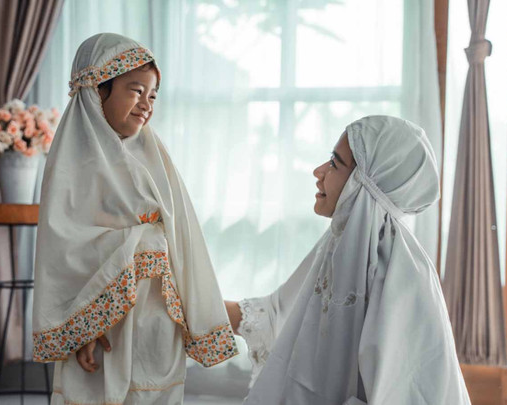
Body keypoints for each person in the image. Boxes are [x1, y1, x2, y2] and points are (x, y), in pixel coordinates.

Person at [32, 33, 238, 405]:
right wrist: (87, 324)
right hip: (102, 324)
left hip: (157, 315)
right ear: (97, 92)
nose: (146, 104)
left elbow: (182, 232)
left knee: (153, 393)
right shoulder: (75, 165)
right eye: (136, 91)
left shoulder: (153, 155)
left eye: (153, 95)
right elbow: (66, 248)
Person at [226, 116, 471, 404]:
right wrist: (188, 301)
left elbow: (404, 392)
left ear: (363, 182)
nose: (318, 171)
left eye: (334, 163)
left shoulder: (405, 276)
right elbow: (274, 317)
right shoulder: (336, 246)